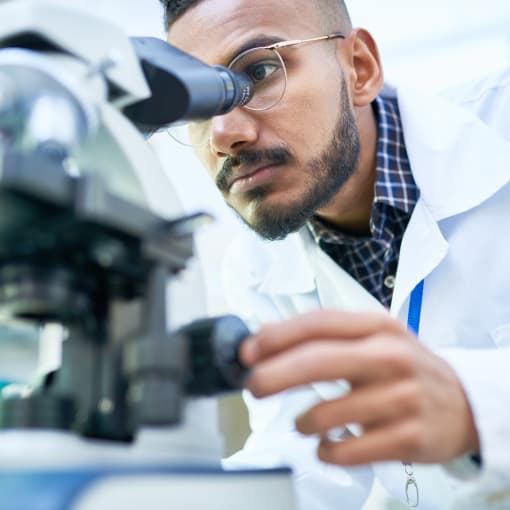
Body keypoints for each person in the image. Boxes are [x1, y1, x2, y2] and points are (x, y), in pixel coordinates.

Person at [160, 0, 510, 508]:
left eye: (258, 71)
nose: (224, 134)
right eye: (195, 106)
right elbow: (304, 462)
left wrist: (477, 404)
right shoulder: (254, 270)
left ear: (359, 68)